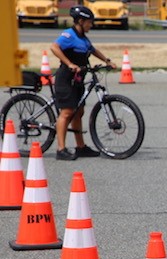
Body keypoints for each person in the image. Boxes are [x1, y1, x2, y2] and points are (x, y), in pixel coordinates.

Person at [50, 5, 116, 160]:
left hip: (77, 79)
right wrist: (69, 63)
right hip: (66, 78)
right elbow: (54, 47)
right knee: (66, 112)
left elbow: (92, 50)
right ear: (80, 21)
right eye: (89, 22)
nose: (91, 25)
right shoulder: (69, 35)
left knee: (78, 112)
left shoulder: (83, 38)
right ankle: (61, 149)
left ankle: (81, 147)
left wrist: (107, 61)